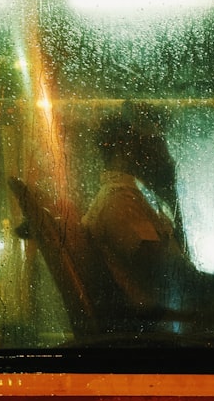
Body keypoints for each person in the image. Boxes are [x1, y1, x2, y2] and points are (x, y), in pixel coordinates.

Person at [82, 113, 192, 315]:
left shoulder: (134, 199)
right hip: (163, 323)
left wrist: (171, 198)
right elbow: (173, 275)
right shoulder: (119, 203)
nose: (167, 156)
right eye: (154, 143)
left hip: (174, 312)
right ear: (125, 149)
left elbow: (180, 271)